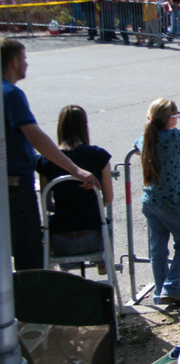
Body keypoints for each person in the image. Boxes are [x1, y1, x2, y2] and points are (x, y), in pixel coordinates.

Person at [3, 39, 99, 271]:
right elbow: (35, 137)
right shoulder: (11, 94)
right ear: (14, 62)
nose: (26, 64)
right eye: (24, 59)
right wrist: (74, 169)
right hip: (15, 189)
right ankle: (31, 306)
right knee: (30, 258)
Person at [135, 98, 180, 305]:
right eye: (176, 115)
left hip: (150, 200)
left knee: (158, 249)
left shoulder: (145, 137)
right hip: (173, 202)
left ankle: (159, 291)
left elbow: (136, 146)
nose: (178, 119)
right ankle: (171, 287)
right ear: (169, 119)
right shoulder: (175, 137)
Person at [36, 105, 112, 270]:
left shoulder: (46, 161)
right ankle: (103, 264)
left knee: (51, 223)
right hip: (94, 238)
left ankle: (65, 270)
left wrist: (67, 208)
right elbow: (108, 198)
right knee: (106, 223)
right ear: (84, 125)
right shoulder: (98, 155)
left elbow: (46, 203)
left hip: (60, 241)